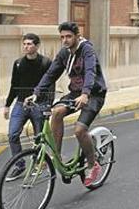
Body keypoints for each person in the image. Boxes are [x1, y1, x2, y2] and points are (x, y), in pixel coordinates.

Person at [26, 22, 107, 188]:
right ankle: (57, 156)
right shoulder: (64, 53)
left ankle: (93, 164)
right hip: (76, 93)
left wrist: (85, 94)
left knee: (79, 130)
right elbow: (51, 73)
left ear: (77, 36)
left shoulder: (87, 50)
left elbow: (90, 72)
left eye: (69, 36)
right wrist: (36, 93)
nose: (65, 40)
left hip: (93, 94)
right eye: (62, 37)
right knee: (56, 112)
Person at [3, 33, 52, 181]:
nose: (26, 46)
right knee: (12, 135)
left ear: (37, 46)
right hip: (20, 103)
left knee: (39, 138)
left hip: (40, 104)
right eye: (24, 44)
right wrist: (7, 105)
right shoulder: (18, 63)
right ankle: (19, 165)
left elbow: (50, 85)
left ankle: (38, 163)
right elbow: (14, 86)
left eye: (29, 44)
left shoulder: (45, 63)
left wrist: (48, 105)